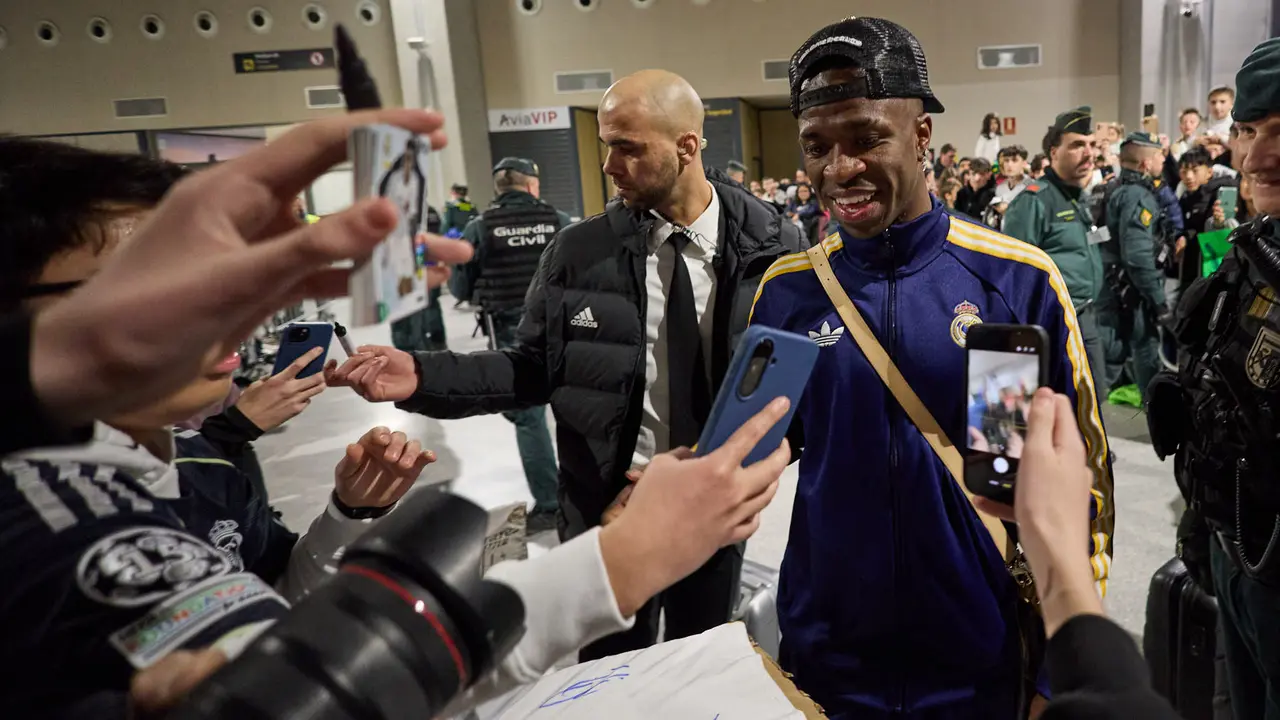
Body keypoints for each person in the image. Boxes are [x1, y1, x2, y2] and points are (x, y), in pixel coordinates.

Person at [325, 68, 806, 661]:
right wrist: (422, 376)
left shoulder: (775, 248)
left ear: (687, 146)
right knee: (604, 673)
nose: (608, 165)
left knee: (697, 661)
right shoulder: (578, 253)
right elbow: (530, 369)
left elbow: (800, 389)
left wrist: (751, 469)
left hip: (711, 508)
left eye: (627, 147)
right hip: (604, 515)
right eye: (606, 144)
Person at [748, 17, 1112, 719]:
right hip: (828, 662)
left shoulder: (1011, 282)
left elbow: (1081, 487)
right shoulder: (790, 292)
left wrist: (1059, 673)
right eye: (816, 146)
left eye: (866, 139)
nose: (838, 169)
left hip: (977, 662)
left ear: (921, 136)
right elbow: (754, 446)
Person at [1149, 38, 1280, 720]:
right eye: (1248, 132)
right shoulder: (1251, 257)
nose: (1256, 158)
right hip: (1235, 551)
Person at [452, 156, 572, 533]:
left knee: (529, 417)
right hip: (566, 328)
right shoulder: (559, 221)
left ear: (499, 188)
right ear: (532, 185)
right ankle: (589, 493)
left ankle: (550, 504)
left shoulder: (480, 226)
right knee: (580, 406)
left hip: (512, 332)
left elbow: (459, 287)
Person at [1005, 106, 1108, 387]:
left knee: (1094, 397)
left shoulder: (1076, 197)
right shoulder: (1034, 201)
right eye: (1077, 145)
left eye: (1091, 145)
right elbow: (1015, 275)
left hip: (1085, 316)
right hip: (1054, 322)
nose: (1089, 153)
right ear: (1054, 153)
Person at [1095, 132, 1167, 399]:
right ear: (1146, 164)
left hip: (1108, 283)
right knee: (1144, 349)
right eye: (1159, 155)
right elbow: (1137, 256)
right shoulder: (1137, 196)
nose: (1163, 160)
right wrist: (1158, 301)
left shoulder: (1111, 188)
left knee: (1108, 354)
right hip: (1130, 290)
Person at [389, 205, 449, 352]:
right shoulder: (430, 211)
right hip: (429, 266)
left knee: (405, 313)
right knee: (431, 306)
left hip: (405, 270)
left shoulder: (396, 212)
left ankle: (413, 351)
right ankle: (437, 343)